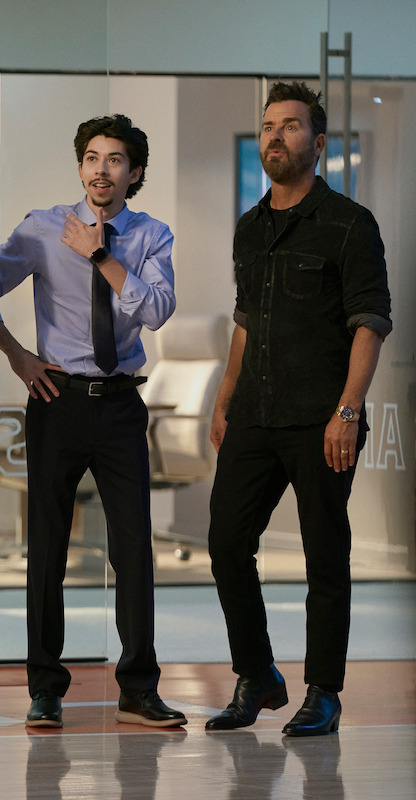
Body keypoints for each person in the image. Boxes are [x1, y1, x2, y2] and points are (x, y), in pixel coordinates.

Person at [205, 81, 390, 737]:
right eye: (268, 127)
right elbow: (246, 321)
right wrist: (224, 399)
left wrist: (349, 411)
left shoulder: (350, 224)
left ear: (318, 142)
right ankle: (257, 674)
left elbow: (370, 322)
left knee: (324, 554)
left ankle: (324, 692)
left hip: (321, 417)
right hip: (255, 414)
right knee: (226, 543)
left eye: (289, 125)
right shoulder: (250, 228)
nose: (275, 136)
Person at [0, 114, 185, 729]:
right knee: (47, 548)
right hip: (58, 400)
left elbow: (156, 310)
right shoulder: (42, 228)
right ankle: (45, 689)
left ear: (134, 173)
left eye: (116, 160)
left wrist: (101, 254)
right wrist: (17, 356)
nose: (102, 170)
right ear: (80, 167)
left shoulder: (151, 236)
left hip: (122, 404)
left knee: (133, 549)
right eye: (93, 158)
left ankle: (139, 688)